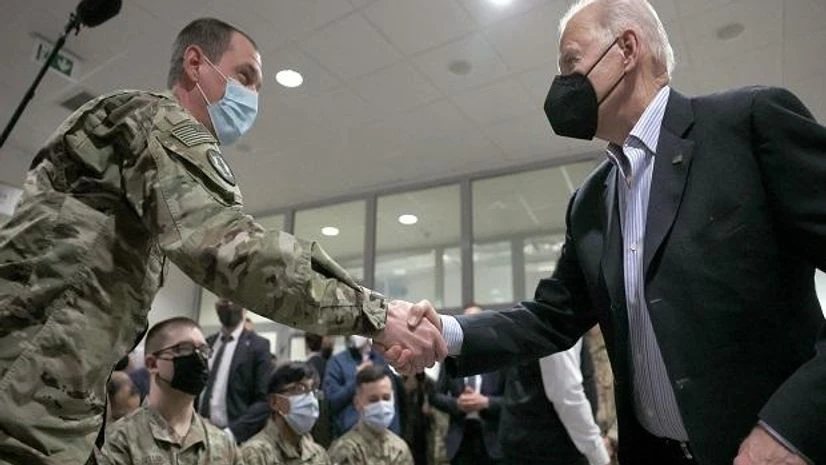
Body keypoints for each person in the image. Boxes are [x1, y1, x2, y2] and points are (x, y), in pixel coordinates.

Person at [0, 16, 444, 465]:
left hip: (44, 395)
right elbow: (233, 250)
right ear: (196, 63)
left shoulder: (132, 138)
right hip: (22, 391)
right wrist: (375, 313)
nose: (251, 96)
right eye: (244, 76)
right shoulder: (157, 121)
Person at [398, 0, 826, 464]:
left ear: (626, 48)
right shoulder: (591, 201)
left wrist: (792, 429)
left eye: (570, 63)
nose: (561, 85)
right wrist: (448, 330)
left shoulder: (747, 124)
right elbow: (550, 317)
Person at [101, 317, 241, 464]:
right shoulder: (119, 441)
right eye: (184, 349)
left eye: (204, 350)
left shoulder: (224, 446)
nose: (198, 359)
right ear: (152, 363)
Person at [499, 339, 610, 465]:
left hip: (532, 439)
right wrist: (597, 453)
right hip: (549, 447)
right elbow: (566, 395)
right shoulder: (561, 324)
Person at [430, 306, 503, 465]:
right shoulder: (451, 359)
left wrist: (486, 402)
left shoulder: (499, 360)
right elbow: (435, 396)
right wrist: (457, 404)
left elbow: (511, 400)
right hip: (459, 439)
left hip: (491, 441)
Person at [199, 299, 271, 443]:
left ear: (245, 308)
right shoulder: (207, 343)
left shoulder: (258, 346)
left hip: (234, 437)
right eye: (223, 298)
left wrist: (232, 434)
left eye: (234, 298)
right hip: (200, 432)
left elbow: (263, 400)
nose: (228, 303)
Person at [242, 362, 330, 465]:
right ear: (274, 402)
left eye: (313, 391)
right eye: (299, 389)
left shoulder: (318, 454)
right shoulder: (255, 454)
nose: (310, 399)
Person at [328, 365, 414, 465]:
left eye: (386, 398)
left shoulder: (400, 449)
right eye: (373, 400)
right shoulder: (346, 450)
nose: (381, 405)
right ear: (357, 403)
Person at [324, 336, 404, 438]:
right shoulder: (337, 363)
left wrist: (395, 434)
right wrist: (356, 380)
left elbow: (393, 402)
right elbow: (331, 403)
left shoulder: (381, 361)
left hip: (386, 435)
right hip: (351, 435)